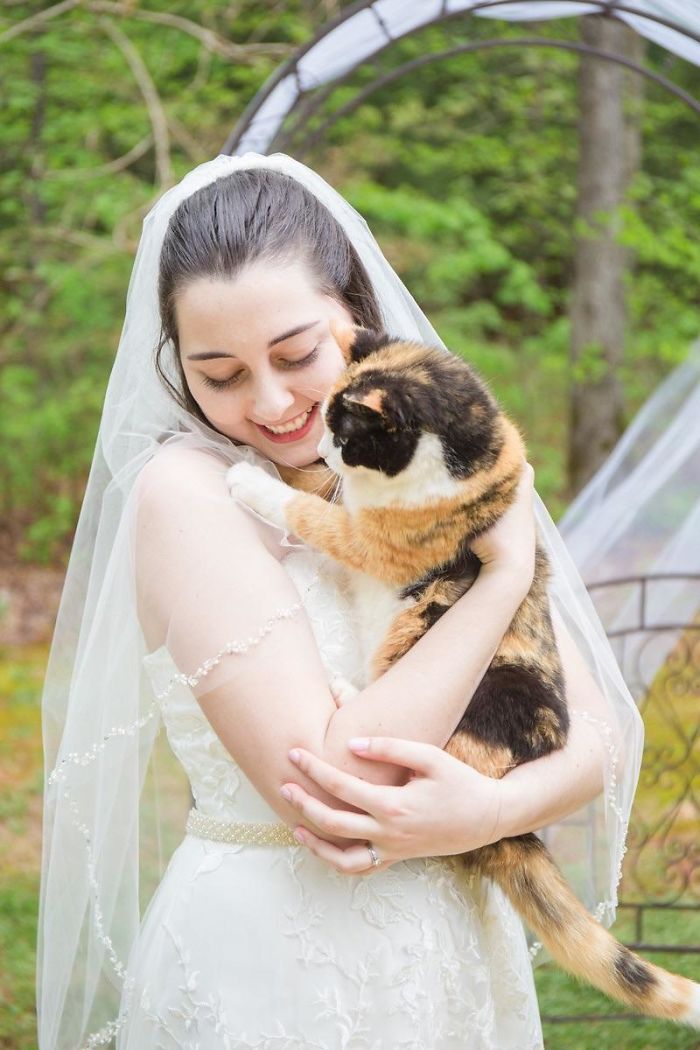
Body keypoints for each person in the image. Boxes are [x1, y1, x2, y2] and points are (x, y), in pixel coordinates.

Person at [37, 154, 644, 1050]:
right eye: (220, 374)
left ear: (353, 319)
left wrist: (490, 814)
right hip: (279, 968)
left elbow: (603, 732)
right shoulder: (186, 495)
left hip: (452, 950)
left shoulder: (421, 458)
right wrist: (504, 578)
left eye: (295, 355)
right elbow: (340, 785)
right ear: (177, 366)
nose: (273, 401)